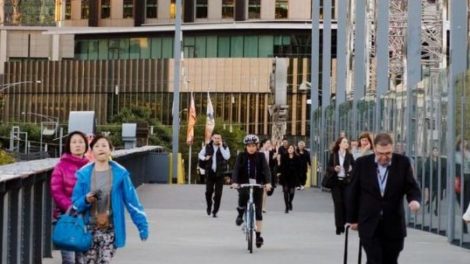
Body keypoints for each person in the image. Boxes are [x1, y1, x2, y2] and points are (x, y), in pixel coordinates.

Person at [72, 135, 148, 263]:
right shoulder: (84, 175)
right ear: (91, 151)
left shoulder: (120, 174)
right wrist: (85, 200)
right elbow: (75, 204)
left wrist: (142, 226)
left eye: (104, 145)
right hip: (88, 229)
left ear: (110, 150)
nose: (100, 149)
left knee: (104, 261)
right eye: (96, 146)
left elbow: (132, 202)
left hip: (110, 228)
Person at [347, 133, 421, 264]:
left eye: (388, 153)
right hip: (368, 223)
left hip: (394, 225)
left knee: (390, 260)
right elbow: (353, 192)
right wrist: (352, 219)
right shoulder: (362, 164)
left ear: (392, 149)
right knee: (375, 259)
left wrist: (414, 200)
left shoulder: (402, 163)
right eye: (380, 153)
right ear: (374, 149)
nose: (384, 157)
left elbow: (411, 186)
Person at [50, 131, 89, 264]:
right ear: (68, 146)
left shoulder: (91, 167)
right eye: (74, 142)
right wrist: (72, 207)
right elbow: (56, 190)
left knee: (82, 259)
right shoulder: (60, 166)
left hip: (86, 218)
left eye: (80, 142)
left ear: (86, 145)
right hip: (66, 216)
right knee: (69, 260)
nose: (77, 145)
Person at [231, 134, 272, 248]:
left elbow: (266, 170)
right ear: (246, 146)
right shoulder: (241, 156)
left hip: (258, 184)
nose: (251, 148)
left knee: (258, 211)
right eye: (249, 146)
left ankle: (258, 236)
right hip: (244, 182)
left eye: (253, 145)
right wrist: (234, 182)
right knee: (243, 195)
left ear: (257, 146)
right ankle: (240, 214)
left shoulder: (261, 156)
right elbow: (236, 169)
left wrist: (268, 182)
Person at [198, 131, 231, 217]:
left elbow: (227, 156)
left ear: (221, 139)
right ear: (212, 138)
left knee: (218, 194)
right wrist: (205, 158)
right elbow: (200, 155)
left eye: (219, 138)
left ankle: (215, 211)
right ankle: (209, 205)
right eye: (215, 138)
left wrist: (221, 148)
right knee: (208, 192)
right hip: (210, 173)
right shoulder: (207, 146)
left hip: (220, 173)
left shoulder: (224, 146)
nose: (217, 140)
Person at [326, 136, 354, 235]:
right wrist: (334, 168)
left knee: (345, 203)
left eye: (347, 142)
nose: (347, 143)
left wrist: (351, 170)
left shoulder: (349, 156)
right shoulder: (333, 155)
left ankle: (344, 223)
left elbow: (354, 168)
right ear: (339, 144)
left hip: (346, 183)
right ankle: (339, 226)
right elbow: (328, 167)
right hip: (336, 182)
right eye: (344, 142)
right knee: (338, 204)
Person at [279, 144, 300, 213]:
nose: (290, 149)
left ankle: (290, 202)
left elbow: (298, 168)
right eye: (289, 148)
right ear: (287, 150)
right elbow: (281, 166)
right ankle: (286, 207)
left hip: (293, 177)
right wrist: (279, 173)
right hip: (285, 176)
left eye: (292, 148)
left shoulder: (297, 157)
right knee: (285, 191)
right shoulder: (284, 156)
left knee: (291, 192)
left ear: (294, 150)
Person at [259, 138, 277, 213]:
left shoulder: (271, 152)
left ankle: (263, 207)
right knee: (260, 191)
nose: (269, 144)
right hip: (259, 173)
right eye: (268, 143)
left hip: (267, 174)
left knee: (265, 191)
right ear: (263, 143)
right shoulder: (258, 152)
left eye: (269, 143)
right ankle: (259, 205)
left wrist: (274, 158)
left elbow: (272, 164)